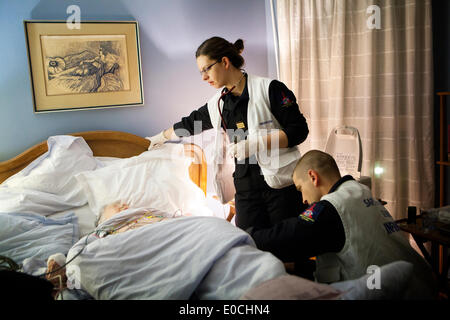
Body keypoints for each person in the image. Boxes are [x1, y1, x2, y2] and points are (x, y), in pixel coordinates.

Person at [146, 36, 309, 230]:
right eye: (201, 72)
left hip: (280, 185)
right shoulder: (219, 104)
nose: (204, 77)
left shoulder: (270, 89)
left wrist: (258, 143)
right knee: (249, 246)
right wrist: (160, 138)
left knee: (286, 249)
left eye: (206, 69)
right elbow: (190, 124)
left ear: (225, 62)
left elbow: (299, 131)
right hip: (246, 189)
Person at [247, 150, 437, 299]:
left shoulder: (333, 207)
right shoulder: (360, 191)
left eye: (300, 189)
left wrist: (245, 237)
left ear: (313, 177)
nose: (303, 199)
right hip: (421, 285)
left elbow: (287, 235)